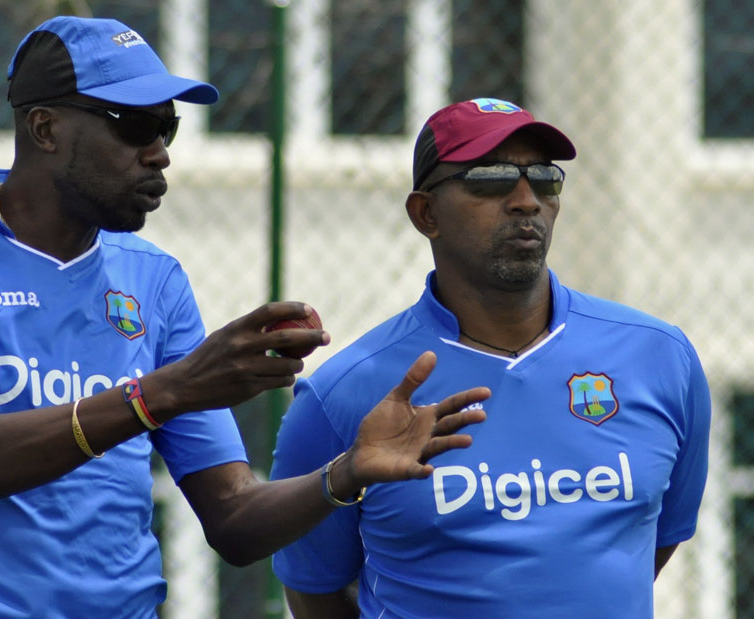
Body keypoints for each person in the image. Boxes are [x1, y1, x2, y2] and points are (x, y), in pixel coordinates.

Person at [0, 17, 492, 619]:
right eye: (134, 126)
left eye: (169, 127)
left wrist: (344, 472)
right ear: (45, 129)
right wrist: (165, 393)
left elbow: (236, 521)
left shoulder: (153, 278)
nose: (160, 154)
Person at [269, 97, 711, 619]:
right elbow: (312, 588)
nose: (526, 200)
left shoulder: (660, 357)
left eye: (544, 178)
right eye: (492, 178)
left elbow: (650, 544)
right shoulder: (342, 393)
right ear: (426, 213)